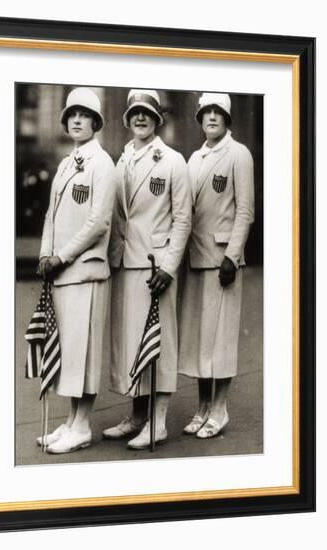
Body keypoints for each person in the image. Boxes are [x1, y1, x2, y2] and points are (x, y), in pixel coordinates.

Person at [104, 89, 191, 450]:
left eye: (147, 113)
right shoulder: (121, 160)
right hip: (126, 261)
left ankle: (159, 423)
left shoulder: (172, 161)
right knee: (131, 343)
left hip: (156, 266)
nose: (141, 118)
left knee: (159, 343)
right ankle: (137, 416)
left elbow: (183, 219)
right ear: (127, 119)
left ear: (157, 119)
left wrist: (169, 267)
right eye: (135, 113)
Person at [36, 87, 117, 453]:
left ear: (96, 122)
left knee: (83, 351)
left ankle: (83, 425)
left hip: (84, 269)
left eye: (85, 115)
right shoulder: (67, 164)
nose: (77, 121)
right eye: (72, 115)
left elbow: (98, 222)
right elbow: (52, 215)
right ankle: (71, 421)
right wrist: (44, 254)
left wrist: (62, 256)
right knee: (68, 349)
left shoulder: (102, 163)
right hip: (61, 271)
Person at [178, 92, 255, 438]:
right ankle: (203, 407)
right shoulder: (194, 158)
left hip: (222, 260)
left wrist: (232, 255)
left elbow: (245, 210)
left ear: (227, 118)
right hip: (194, 259)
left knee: (220, 339)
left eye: (217, 111)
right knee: (199, 340)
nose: (211, 116)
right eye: (205, 111)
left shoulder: (239, 154)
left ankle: (220, 410)